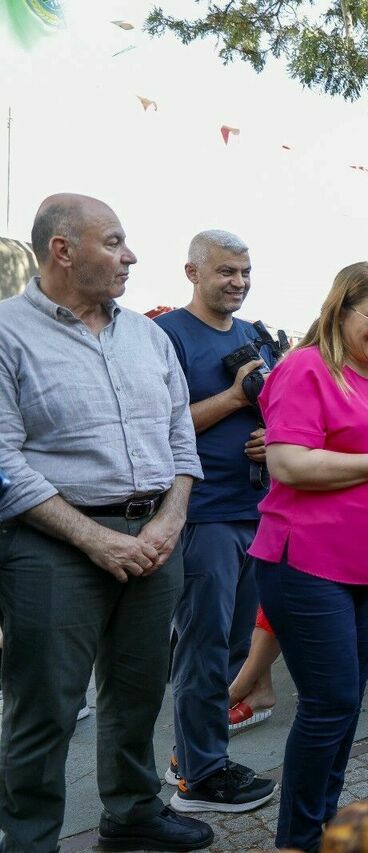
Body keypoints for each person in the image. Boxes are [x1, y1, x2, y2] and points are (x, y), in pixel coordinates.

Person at [0, 194, 212, 852]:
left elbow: (181, 440)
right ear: (62, 250)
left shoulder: (149, 336)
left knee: (139, 690)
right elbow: (3, 461)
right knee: (45, 707)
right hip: (52, 545)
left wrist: (170, 520)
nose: (131, 256)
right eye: (114, 242)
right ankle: (30, 840)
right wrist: (94, 538)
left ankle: (131, 812)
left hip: (155, 538)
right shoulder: (7, 332)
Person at [247, 262, 368, 850]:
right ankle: (299, 839)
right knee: (329, 702)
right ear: (341, 310)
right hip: (305, 559)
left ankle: (324, 826)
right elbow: (288, 463)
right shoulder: (306, 367)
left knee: (344, 705)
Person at [152, 230, 278, 814]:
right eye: (227, 271)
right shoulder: (168, 335)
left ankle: (196, 759)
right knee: (202, 648)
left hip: (255, 510)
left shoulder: (255, 335)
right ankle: (198, 781)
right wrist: (232, 399)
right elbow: (159, 424)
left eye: (245, 271)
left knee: (232, 645)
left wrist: (271, 436)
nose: (239, 282)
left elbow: (278, 409)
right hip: (202, 516)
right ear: (193, 273)